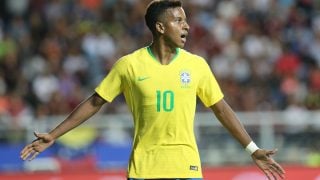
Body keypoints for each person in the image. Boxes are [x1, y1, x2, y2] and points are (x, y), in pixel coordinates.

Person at [20, 0, 285, 179]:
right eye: (179, 21)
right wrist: (54, 135)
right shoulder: (129, 65)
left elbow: (221, 109)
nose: (187, 26)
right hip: (144, 169)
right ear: (160, 27)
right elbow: (95, 102)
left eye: (186, 21)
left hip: (187, 167)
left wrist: (252, 149)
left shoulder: (197, 65)